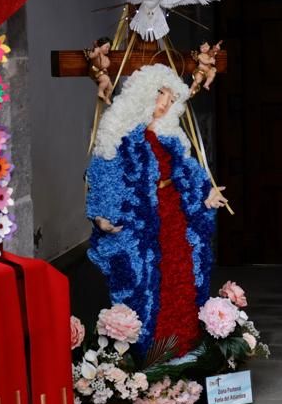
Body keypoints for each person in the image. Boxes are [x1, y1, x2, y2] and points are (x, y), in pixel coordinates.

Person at [87, 65, 228, 354]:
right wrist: (103, 214)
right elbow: (104, 175)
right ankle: (150, 351)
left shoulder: (170, 139)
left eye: (170, 97)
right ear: (142, 95)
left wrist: (207, 193)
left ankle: (183, 344)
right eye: (159, 94)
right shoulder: (120, 138)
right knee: (147, 282)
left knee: (182, 274)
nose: (164, 103)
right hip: (142, 221)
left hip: (174, 217)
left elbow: (188, 172)